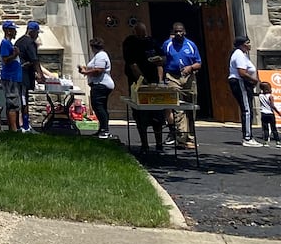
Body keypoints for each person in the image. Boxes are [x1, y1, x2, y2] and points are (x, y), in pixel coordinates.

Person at [121, 17, 166, 154]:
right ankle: (144, 144)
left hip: (154, 82)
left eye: (144, 33)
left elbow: (162, 59)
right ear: (135, 32)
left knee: (158, 114)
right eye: (140, 33)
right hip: (138, 83)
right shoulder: (130, 43)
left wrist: (159, 79)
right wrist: (142, 80)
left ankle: (159, 143)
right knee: (141, 114)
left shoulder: (152, 42)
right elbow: (132, 64)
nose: (142, 35)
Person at [160, 21, 203, 148]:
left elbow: (198, 63)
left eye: (181, 31)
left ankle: (190, 136)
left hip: (189, 77)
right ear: (173, 33)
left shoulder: (191, 45)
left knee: (191, 107)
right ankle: (181, 138)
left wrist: (190, 67)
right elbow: (162, 61)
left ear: (184, 32)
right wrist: (161, 78)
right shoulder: (167, 45)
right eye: (176, 31)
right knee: (178, 107)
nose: (178, 33)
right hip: (173, 77)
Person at [14, 21, 50, 133]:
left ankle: (20, 124)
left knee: (21, 98)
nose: (37, 35)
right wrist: (41, 75)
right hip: (24, 76)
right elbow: (34, 60)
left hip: (18, 73)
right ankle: (25, 125)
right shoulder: (30, 43)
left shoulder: (19, 41)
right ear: (32, 31)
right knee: (24, 99)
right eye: (37, 32)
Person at [228, 35, 262, 147]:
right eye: (247, 42)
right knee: (246, 110)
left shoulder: (243, 55)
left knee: (248, 109)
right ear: (242, 44)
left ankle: (248, 135)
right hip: (239, 82)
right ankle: (247, 137)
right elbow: (241, 72)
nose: (249, 44)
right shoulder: (239, 55)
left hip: (244, 83)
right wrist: (254, 80)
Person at [77, 37, 115, 138]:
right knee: (101, 107)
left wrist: (85, 72)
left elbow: (99, 70)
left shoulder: (101, 56)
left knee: (98, 106)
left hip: (101, 84)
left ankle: (104, 130)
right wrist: (85, 69)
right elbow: (95, 68)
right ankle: (102, 128)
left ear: (93, 47)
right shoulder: (98, 56)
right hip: (99, 84)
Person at [0, 20, 25, 133]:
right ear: (8, 31)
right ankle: (13, 129)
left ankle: (14, 127)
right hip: (10, 78)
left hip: (15, 77)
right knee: (12, 102)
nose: (15, 33)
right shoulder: (4, 43)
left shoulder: (10, 43)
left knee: (15, 103)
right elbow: (5, 59)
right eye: (14, 30)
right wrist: (15, 55)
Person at [257, 82, 281, 146]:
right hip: (270, 113)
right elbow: (272, 106)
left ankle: (266, 141)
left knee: (265, 128)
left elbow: (259, 93)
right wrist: (278, 113)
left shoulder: (260, 95)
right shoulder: (270, 96)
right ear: (267, 89)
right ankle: (277, 141)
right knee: (273, 128)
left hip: (263, 113)